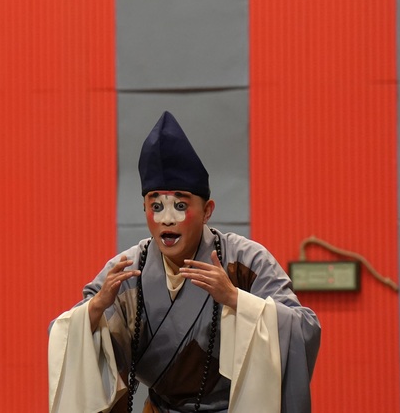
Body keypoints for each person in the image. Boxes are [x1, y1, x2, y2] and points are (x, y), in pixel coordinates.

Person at [48, 111, 320, 413]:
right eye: (156, 206)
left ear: (207, 211)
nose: (167, 219)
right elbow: (64, 334)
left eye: (180, 205)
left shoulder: (245, 260)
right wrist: (96, 308)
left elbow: (303, 327)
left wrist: (235, 299)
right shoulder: (127, 271)